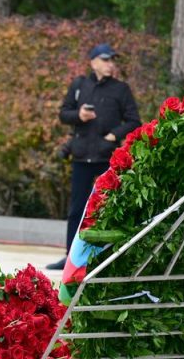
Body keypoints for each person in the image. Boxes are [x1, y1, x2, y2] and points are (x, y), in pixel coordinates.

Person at [47, 43, 141, 271]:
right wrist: (79, 115)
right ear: (93, 62)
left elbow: (134, 121)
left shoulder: (121, 89)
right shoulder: (80, 85)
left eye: (112, 60)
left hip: (107, 158)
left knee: (108, 208)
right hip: (81, 156)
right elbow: (63, 114)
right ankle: (70, 258)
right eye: (106, 60)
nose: (110, 64)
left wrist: (114, 135)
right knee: (76, 210)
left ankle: (106, 259)